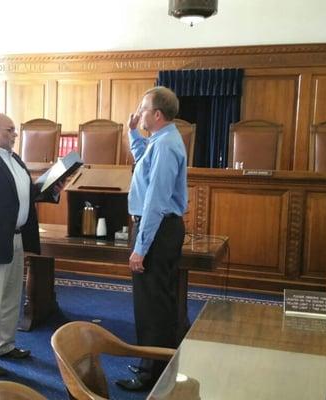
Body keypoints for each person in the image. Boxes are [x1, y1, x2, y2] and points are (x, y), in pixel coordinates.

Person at [0, 112, 61, 377]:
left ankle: (5, 345)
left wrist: (53, 188)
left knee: (9, 298)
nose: (15, 135)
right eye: (9, 130)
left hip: (16, 238)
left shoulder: (15, 160)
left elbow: (27, 193)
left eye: (14, 130)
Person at [116, 86, 188, 392]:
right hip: (158, 228)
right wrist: (133, 133)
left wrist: (140, 248)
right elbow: (143, 163)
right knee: (159, 301)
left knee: (151, 305)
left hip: (157, 230)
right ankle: (159, 363)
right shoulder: (160, 140)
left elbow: (155, 201)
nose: (138, 112)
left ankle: (151, 373)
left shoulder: (166, 145)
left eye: (143, 108)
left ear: (157, 114)